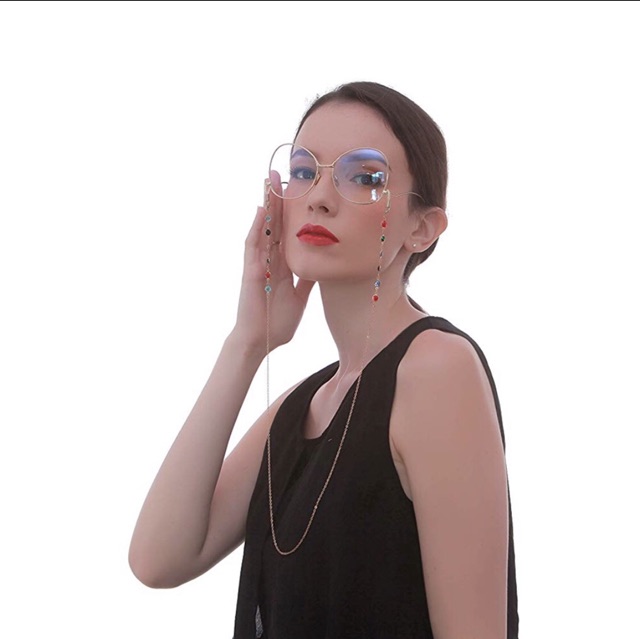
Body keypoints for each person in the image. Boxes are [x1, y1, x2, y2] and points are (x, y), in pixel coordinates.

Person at [128, 81, 519, 639]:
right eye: (303, 170)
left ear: (422, 228)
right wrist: (247, 343)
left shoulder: (436, 369)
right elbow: (159, 559)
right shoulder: (302, 406)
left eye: (365, 177)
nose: (319, 197)